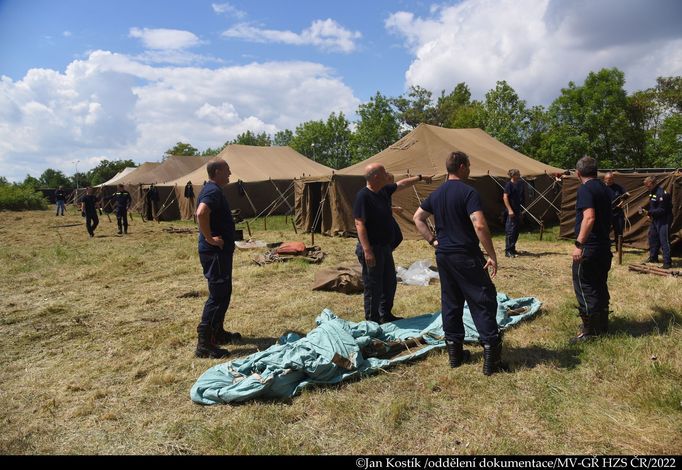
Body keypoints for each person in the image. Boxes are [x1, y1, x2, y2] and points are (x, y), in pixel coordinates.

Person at [414, 151, 503, 375]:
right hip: (465, 255)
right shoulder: (468, 192)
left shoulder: (437, 193)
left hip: (444, 256)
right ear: (462, 167)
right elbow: (480, 225)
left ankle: (455, 354)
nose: (470, 169)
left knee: (451, 302)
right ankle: (491, 358)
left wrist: (433, 240)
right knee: (482, 298)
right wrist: (491, 254)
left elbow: (418, 218)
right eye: (469, 165)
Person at [353, 164, 432, 324]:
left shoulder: (384, 191)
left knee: (389, 283)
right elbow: (359, 224)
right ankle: (372, 321)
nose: (387, 175)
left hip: (384, 247)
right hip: (372, 248)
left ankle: (385, 315)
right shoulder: (363, 196)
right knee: (373, 286)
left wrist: (420, 178)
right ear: (375, 177)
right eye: (384, 173)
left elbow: (402, 184)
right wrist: (367, 251)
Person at [194, 159, 241, 358]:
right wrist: (210, 238)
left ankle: (217, 333)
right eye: (227, 170)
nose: (230, 173)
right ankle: (204, 344)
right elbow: (201, 213)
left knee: (224, 292)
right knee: (218, 295)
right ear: (217, 171)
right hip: (214, 253)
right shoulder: (212, 191)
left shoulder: (213, 190)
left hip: (220, 253)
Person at [571, 156, 613, 342]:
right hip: (604, 246)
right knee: (599, 284)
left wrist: (579, 244)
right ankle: (602, 325)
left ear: (578, 173)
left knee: (584, 285)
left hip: (590, 246)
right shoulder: (605, 188)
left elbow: (589, 218)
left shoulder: (585, 189)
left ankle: (589, 331)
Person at [641, 176, 673, 269]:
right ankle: (653, 258)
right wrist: (647, 213)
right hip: (655, 219)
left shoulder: (662, 193)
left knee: (664, 241)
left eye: (647, 185)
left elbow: (662, 210)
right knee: (653, 238)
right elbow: (653, 206)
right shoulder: (652, 192)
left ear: (652, 183)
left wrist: (650, 212)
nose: (646, 186)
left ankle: (667, 263)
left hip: (664, 219)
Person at [502, 169, 525, 257]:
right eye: (518, 174)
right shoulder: (509, 185)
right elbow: (505, 197)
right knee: (510, 231)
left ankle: (513, 249)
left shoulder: (519, 184)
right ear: (513, 175)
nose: (519, 175)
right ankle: (508, 251)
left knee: (516, 230)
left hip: (517, 210)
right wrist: (510, 210)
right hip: (511, 211)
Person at [603, 172, 627, 245]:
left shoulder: (618, 187)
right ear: (604, 179)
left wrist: (621, 203)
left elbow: (625, 196)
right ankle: (605, 246)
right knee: (605, 231)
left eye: (612, 179)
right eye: (608, 179)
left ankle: (618, 248)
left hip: (618, 213)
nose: (610, 181)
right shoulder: (602, 187)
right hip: (606, 213)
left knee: (619, 231)